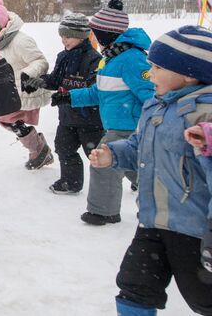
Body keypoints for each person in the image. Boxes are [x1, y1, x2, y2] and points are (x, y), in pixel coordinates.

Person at [88, 25, 212, 316]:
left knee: (202, 298)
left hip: (192, 230)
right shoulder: (155, 107)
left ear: (188, 74)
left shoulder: (204, 115)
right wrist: (112, 155)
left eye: (157, 67)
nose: (150, 73)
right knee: (134, 287)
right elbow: (138, 145)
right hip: (152, 221)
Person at [60, 0, 153, 226]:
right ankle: (161, 197)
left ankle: (103, 212)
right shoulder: (111, 57)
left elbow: (151, 95)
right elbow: (101, 91)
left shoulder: (132, 59)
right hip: (117, 123)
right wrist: (70, 96)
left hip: (129, 126)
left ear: (108, 33)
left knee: (103, 163)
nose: (95, 36)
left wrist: (153, 124)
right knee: (133, 168)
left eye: (98, 32)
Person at [23, 14, 104, 194]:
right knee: (64, 148)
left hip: (90, 118)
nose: (63, 39)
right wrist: (40, 82)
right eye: (62, 35)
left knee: (97, 155)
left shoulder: (94, 59)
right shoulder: (63, 57)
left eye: (68, 35)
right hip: (67, 116)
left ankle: (125, 177)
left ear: (81, 36)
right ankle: (71, 182)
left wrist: (69, 96)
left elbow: (95, 90)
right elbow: (56, 80)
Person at [0, 0, 52, 169]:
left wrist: (28, 75)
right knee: (6, 120)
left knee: (8, 120)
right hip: (12, 91)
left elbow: (40, 61)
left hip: (26, 89)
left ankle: (39, 150)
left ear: (1, 25)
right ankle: (38, 149)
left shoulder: (20, 41)